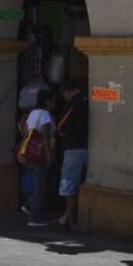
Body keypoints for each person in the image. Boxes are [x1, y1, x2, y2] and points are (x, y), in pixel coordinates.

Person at [55, 80, 89, 231]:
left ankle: (70, 220)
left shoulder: (73, 104)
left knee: (69, 185)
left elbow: (60, 126)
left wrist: (65, 135)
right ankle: (67, 217)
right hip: (89, 147)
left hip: (74, 148)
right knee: (81, 183)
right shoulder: (89, 100)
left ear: (66, 92)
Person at [22, 89, 55, 228]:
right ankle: (34, 217)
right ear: (47, 101)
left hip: (30, 153)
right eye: (53, 100)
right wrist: (48, 154)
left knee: (37, 183)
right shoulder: (45, 114)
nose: (54, 104)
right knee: (39, 186)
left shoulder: (32, 113)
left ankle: (29, 205)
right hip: (39, 154)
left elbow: (26, 130)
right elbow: (45, 134)